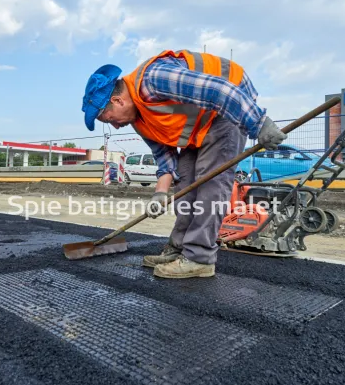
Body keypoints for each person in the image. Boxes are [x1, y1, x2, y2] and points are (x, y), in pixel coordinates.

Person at [80, 49, 287, 279]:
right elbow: (165, 156)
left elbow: (219, 91)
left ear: (117, 101)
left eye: (109, 119)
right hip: (201, 123)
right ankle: (179, 249)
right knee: (185, 181)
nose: (116, 126)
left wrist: (259, 124)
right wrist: (159, 194)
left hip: (229, 106)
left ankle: (200, 258)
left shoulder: (153, 79)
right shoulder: (139, 119)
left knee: (211, 183)